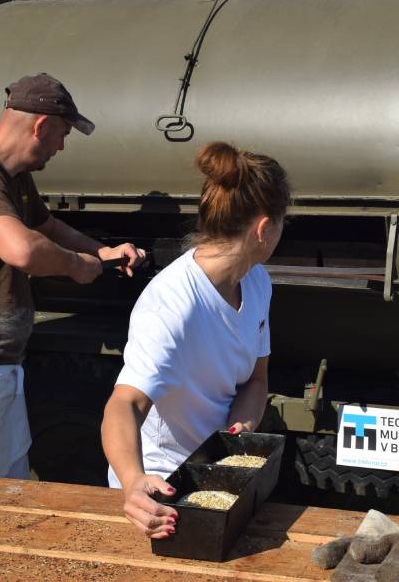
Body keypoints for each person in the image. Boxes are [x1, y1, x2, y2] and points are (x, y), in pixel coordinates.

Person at [0, 73, 146, 480]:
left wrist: (101, 251)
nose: (61, 146)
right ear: (41, 126)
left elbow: (48, 228)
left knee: (9, 487)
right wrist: (76, 265)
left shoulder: (14, 177)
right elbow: (22, 249)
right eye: (63, 134)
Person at [101, 141, 290, 539]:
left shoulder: (257, 282)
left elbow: (255, 381)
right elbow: (124, 404)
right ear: (263, 229)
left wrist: (240, 427)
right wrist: (133, 481)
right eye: (282, 221)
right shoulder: (173, 303)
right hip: (160, 492)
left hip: (214, 482)